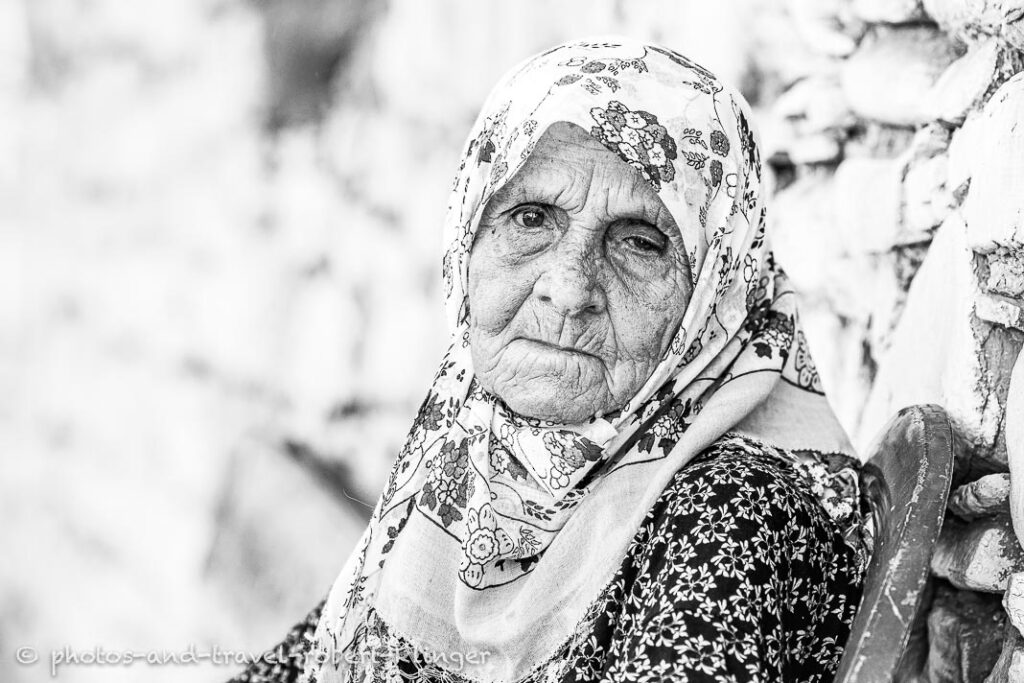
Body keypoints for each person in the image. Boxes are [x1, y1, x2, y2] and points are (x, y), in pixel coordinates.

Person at [229, 37, 873, 683]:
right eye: (532, 217)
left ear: (714, 290)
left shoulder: (729, 509)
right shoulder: (481, 470)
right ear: (466, 244)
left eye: (640, 242)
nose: (568, 289)